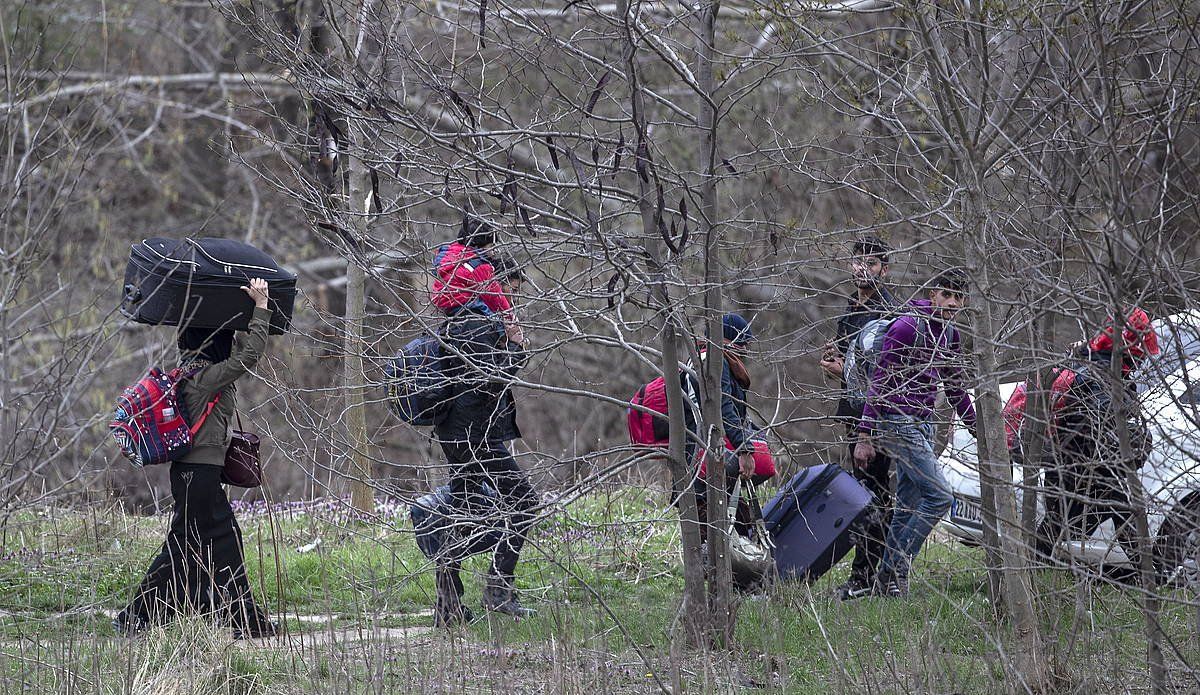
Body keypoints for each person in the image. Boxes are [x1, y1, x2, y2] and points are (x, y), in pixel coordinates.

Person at [115, 278, 277, 638]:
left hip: (195, 474)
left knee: (215, 538)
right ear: (215, 345)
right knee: (197, 542)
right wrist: (261, 310)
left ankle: (224, 614)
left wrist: (237, 323)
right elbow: (248, 357)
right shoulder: (205, 378)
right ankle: (142, 616)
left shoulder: (189, 373)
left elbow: (238, 353)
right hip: (198, 474)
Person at [854, 269, 977, 598]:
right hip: (896, 420)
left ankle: (886, 581)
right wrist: (864, 435)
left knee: (907, 505)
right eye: (945, 295)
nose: (951, 302)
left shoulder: (949, 335)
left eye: (958, 297)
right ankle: (896, 565)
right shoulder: (908, 326)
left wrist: (979, 430)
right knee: (940, 496)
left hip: (923, 422)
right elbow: (880, 380)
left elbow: (955, 388)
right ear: (933, 294)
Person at [431, 263, 536, 626]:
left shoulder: (459, 319)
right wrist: (517, 347)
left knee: (463, 510)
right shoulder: (477, 324)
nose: (513, 301)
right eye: (513, 292)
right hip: (476, 437)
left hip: (459, 434)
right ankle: (497, 590)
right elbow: (488, 382)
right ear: (497, 287)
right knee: (524, 502)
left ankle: (448, 606)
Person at [1025, 309, 1158, 577]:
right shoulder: (1101, 376)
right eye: (1141, 353)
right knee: (1117, 510)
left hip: (1076, 470)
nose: (1143, 361)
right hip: (1083, 472)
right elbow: (1099, 428)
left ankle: (1150, 576)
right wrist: (1140, 441)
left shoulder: (1097, 366)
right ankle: (1150, 577)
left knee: (1067, 524)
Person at [819, 236, 897, 601]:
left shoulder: (886, 314)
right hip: (854, 416)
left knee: (874, 497)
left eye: (873, 262)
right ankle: (871, 575)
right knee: (864, 494)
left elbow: (882, 376)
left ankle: (868, 576)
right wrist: (834, 367)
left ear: (886, 268)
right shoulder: (852, 308)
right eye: (858, 261)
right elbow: (850, 367)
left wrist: (870, 429)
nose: (863, 267)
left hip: (876, 419)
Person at [688, 314, 775, 540]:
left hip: (700, 457)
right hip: (706, 459)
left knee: (731, 525)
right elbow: (723, 405)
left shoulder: (702, 356)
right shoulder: (716, 362)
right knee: (722, 532)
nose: (746, 348)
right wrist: (745, 448)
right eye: (743, 342)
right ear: (729, 339)